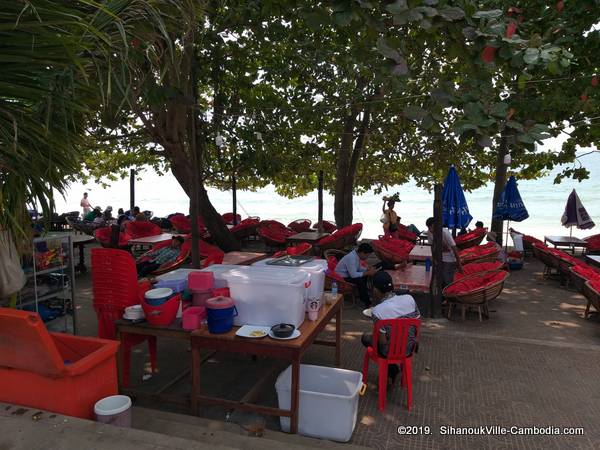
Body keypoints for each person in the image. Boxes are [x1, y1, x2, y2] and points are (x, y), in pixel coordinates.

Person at [361, 271, 420, 385]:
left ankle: (392, 369)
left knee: (366, 338)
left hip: (390, 352)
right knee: (391, 338)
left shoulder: (378, 311)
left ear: (376, 290)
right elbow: (416, 323)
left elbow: (383, 342)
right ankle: (393, 371)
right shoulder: (410, 299)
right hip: (409, 348)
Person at [335, 243, 378, 307]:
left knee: (364, 276)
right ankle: (367, 302)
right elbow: (353, 275)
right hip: (341, 278)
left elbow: (358, 268)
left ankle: (363, 294)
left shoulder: (356, 255)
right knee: (359, 280)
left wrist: (367, 269)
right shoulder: (352, 258)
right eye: (367, 255)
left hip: (348, 275)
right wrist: (368, 272)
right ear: (362, 253)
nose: (367, 258)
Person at [425, 217, 463, 286]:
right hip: (440, 257)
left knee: (447, 277)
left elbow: (455, 249)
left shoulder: (445, 233)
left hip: (450, 258)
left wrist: (459, 265)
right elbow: (432, 246)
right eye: (429, 227)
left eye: (433, 227)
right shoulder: (429, 233)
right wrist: (434, 258)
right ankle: (443, 292)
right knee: (439, 276)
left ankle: (450, 291)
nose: (431, 230)